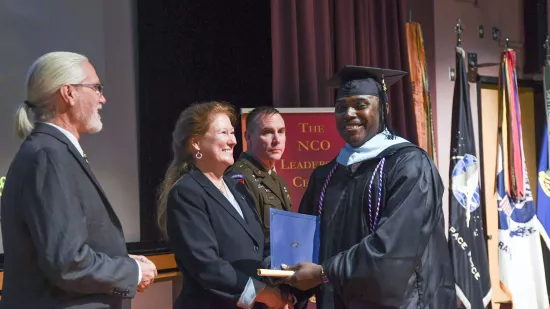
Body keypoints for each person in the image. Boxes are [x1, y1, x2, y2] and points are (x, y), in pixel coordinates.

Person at [282, 66, 456, 309]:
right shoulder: (326, 175)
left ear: (383, 108)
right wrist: (283, 279)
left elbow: (394, 249)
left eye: (360, 104)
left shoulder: (410, 165)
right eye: (341, 107)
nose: (349, 114)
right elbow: (303, 243)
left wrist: (324, 272)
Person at [0, 51, 157, 309]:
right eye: (96, 88)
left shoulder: (53, 151)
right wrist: (132, 272)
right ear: (68, 93)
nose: (103, 98)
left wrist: (122, 261)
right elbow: (67, 262)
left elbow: (66, 246)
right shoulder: (48, 156)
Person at [157, 101, 294, 309]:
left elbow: (258, 248)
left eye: (232, 133)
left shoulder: (236, 188)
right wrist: (262, 294)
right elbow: (206, 267)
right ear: (196, 143)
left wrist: (290, 275)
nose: (233, 141)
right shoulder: (187, 192)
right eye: (224, 133)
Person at [225, 106, 292, 256]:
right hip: (259, 272)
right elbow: (243, 240)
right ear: (248, 137)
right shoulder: (238, 177)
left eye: (281, 132)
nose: (277, 140)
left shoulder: (278, 179)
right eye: (267, 132)